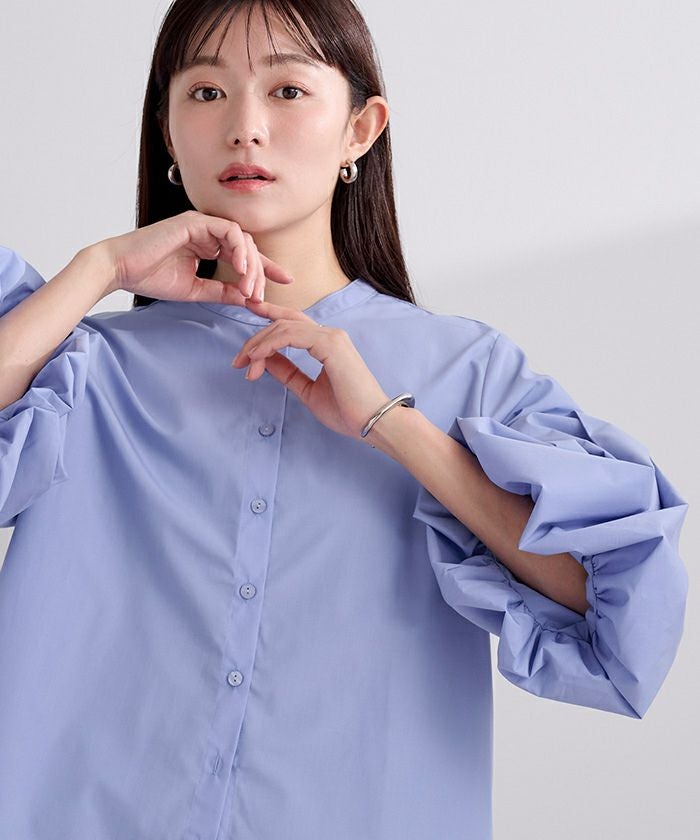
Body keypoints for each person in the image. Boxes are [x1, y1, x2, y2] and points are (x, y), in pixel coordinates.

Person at [0, 1, 689, 838]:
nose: (245, 127)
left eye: (288, 90)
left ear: (360, 130)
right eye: (206, 93)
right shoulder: (79, 365)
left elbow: (616, 621)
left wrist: (392, 423)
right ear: (167, 132)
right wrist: (101, 266)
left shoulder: (469, 374)